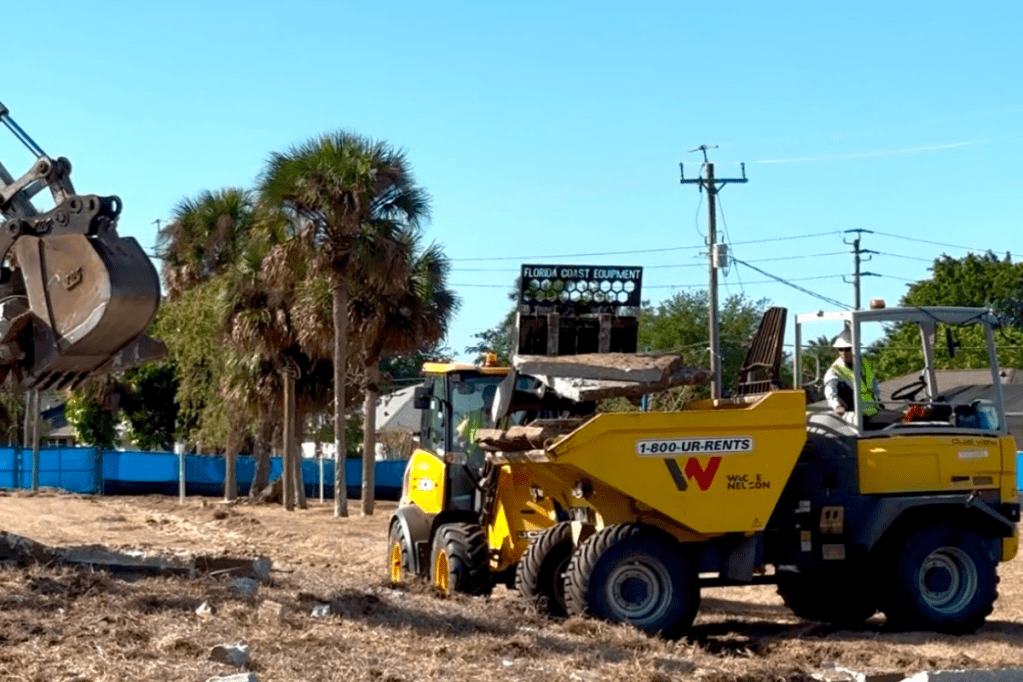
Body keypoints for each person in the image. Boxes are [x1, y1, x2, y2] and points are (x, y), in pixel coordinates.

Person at [824, 330, 881, 425]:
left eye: (847, 349)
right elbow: (830, 389)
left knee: (909, 414)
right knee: (906, 420)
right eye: (840, 349)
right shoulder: (834, 370)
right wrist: (837, 406)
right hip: (858, 418)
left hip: (874, 412)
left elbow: (874, 385)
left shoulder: (864, 363)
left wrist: (878, 401)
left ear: (856, 349)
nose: (844, 353)